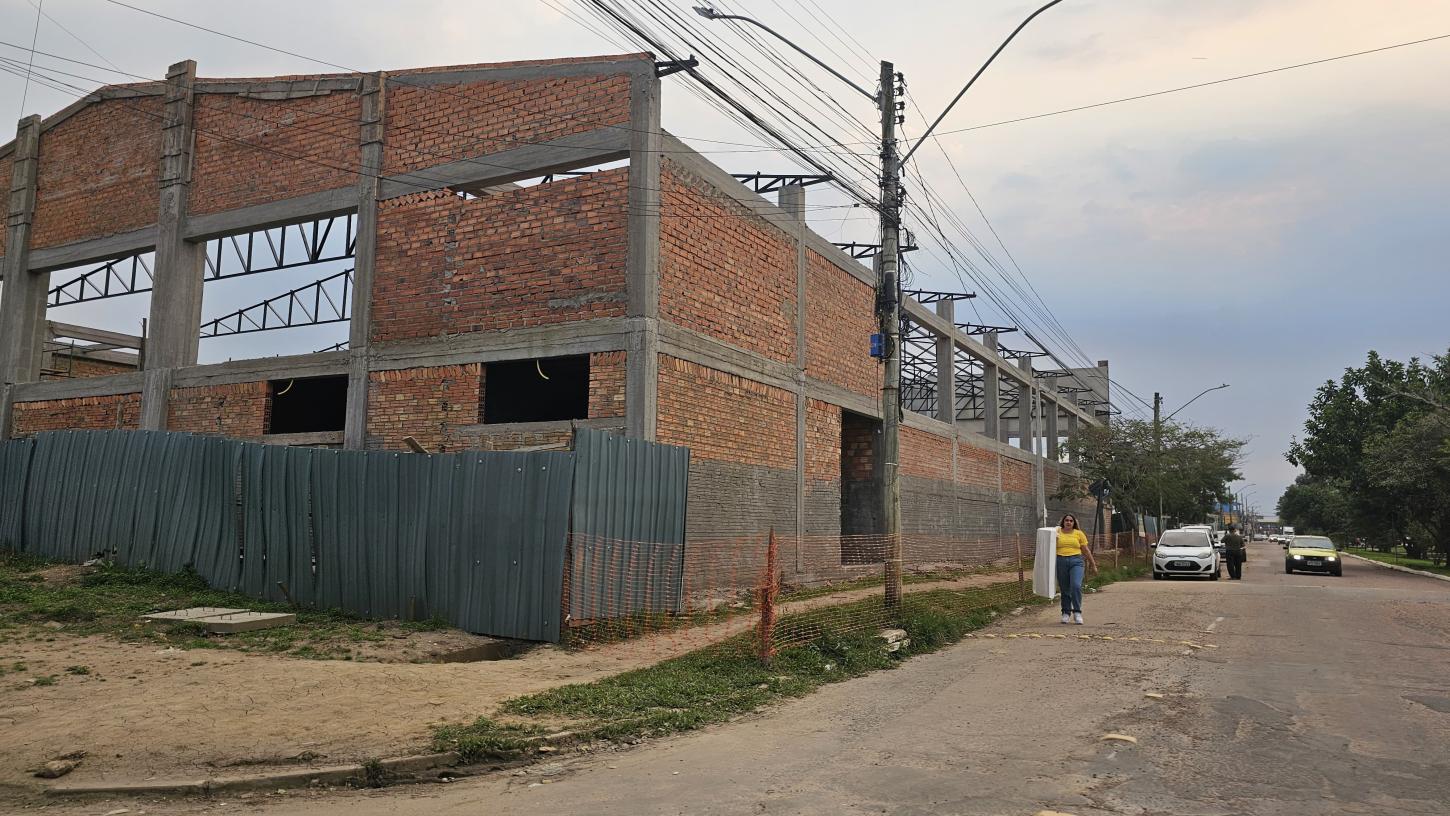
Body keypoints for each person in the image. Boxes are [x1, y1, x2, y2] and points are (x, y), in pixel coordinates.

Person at [1055, 514, 1097, 625]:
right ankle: (1066, 613)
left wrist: (1093, 564)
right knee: (1065, 589)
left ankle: (1077, 612)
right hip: (1061, 561)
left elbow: (1085, 550)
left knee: (1076, 586)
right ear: (1063, 522)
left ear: (1074, 523)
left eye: (1071, 521)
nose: (1068, 522)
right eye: (1066, 520)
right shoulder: (1056, 532)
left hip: (1076, 561)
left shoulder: (1079, 533)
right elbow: (1049, 546)